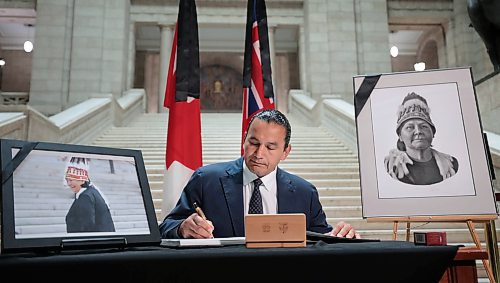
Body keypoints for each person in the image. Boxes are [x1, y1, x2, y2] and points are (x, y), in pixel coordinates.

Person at [159, 109, 360, 239]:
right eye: (254, 143)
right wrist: (182, 228)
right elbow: (167, 226)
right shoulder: (206, 179)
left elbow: (322, 238)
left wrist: (343, 235)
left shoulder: (304, 193)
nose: (259, 153)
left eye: (270, 147)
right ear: (244, 141)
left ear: (285, 152)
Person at [384, 92, 459, 185]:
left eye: (424, 126)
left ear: (433, 133)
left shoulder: (451, 164)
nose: (418, 131)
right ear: (400, 136)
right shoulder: (391, 166)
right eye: (409, 127)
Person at [65, 157, 116, 233]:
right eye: (67, 180)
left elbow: (87, 227)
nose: (68, 184)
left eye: (71, 180)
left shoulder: (86, 197)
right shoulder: (91, 191)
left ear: (82, 180)